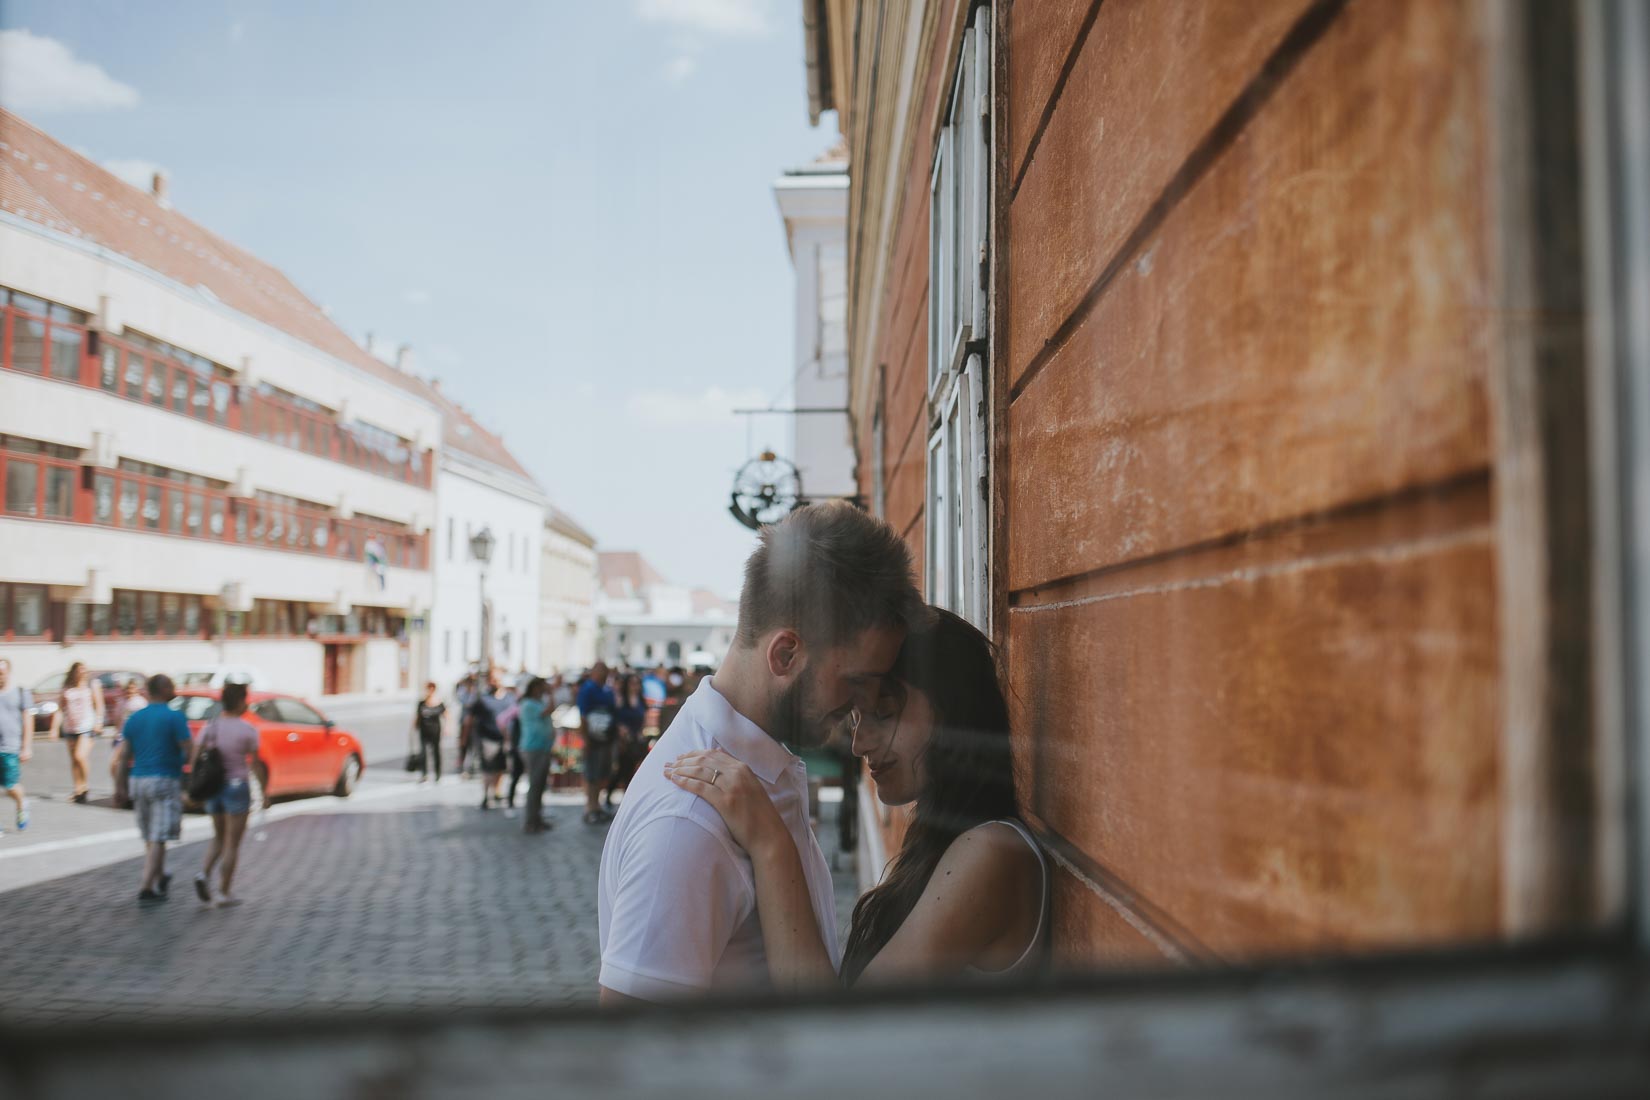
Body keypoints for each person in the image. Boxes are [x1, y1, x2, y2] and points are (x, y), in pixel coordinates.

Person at [597, 502, 924, 1004]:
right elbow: (628, 1060)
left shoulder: (758, 771)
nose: (863, 705)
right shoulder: (688, 822)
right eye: (856, 680)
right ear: (786, 654)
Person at [667, 607, 1047, 990]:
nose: (858, 744)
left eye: (883, 713)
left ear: (955, 712)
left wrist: (771, 843)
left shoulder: (991, 850)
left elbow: (841, 1035)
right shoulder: (945, 837)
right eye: (856, 718)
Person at [112, 674, 193, 903]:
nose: (175, 688)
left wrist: (119, 787)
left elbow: (124, 755)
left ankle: (160, 874)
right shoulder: (175, 717)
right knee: (158, 837)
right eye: (172, 685)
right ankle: (146, 887)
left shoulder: (136, 718)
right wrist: (191, 774)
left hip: (138, 780)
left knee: (150, 834)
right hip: (164, 779)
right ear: (164, 689)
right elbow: (188, 749)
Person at [190, 681, 266, 907]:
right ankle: (224, 892)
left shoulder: (210, 727)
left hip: (214, 788)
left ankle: (203, 873)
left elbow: (195, 759)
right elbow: (256, 764)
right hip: (236, 787)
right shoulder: (248, 730)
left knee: (218, 837)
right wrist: (264, 791)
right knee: (232, 843)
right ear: (241, 701)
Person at [51, 662, 104, 803]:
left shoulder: (92, 685)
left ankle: (85, 786)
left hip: (86, 726)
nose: (82, 673)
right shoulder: (67, 688)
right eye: (79, 670)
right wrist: (54, 728)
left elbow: (99, 705)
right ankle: (78, 790)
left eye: (84, 670)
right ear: (73, 672)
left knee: (80, 756)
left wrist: (99, 722)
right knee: (74, 760)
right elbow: (60, 709)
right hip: (70, 727)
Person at [577, 662, 618, 825]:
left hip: (606, 738)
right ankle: (590, 807)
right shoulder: (588, 689)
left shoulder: (607, 690)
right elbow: (583, 715)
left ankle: (597, 806)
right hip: (593, 738)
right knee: (592, 773)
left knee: (602, 773)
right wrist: (586, 739)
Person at [466, 669, 511, 810]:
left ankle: (496, 791)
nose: (495, 682)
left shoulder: (508, 698)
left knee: (500, 768)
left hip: (503, 737)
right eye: (493, 679)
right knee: (488, 768)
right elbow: (469, 719)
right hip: (487, 738)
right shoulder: (482, 699)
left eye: (497, 679)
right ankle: (486, 795)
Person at [604, 672, 647, 812]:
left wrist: (641, 733)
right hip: (623, 740)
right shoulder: (621, 699)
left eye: (637, 683)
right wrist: (621, 730)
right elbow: (615, 717)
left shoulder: (640, 700)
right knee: (623, 769)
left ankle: (627, 798)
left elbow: (642, 719)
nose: (635, 686)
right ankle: (612, 794)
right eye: (632, 683)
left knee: (632, 769)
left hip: (636, 739)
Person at [518, 677, 556, 834]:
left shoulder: (537, 703)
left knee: (540, 785)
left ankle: (537, 818)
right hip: (534, 748)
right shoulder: (528, 704)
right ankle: (530, 820)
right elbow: (549, 710)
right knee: (535, 785)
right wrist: (551, 693)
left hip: (542, 747)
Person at [0, 658, 33, 834]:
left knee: (11, 786)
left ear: (8, 673)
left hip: (11, 747)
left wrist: (26, 746)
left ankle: (22, 804)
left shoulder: (20, 692)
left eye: (1, 673)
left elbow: (28, 720)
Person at [413, 682, 445, 783]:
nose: (429, 691)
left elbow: (447, 715)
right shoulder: (421, 703)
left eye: (431, 689)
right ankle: (424, 774)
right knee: (423, 753)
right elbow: (417, 717)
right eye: (428, 689)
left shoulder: (439, 703)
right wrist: (414, 728)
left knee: (436, 752)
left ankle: (437, 773)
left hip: (435, 731)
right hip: (423, 731)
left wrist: (448, 728)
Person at [454, 673, 479, 777]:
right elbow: (464, 701)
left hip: (474, 723)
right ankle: (462, 763)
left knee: (473, 744)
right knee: (463, 743)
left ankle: (471, 765)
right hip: (464, 722)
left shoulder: (477, 691)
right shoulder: (463, 691)